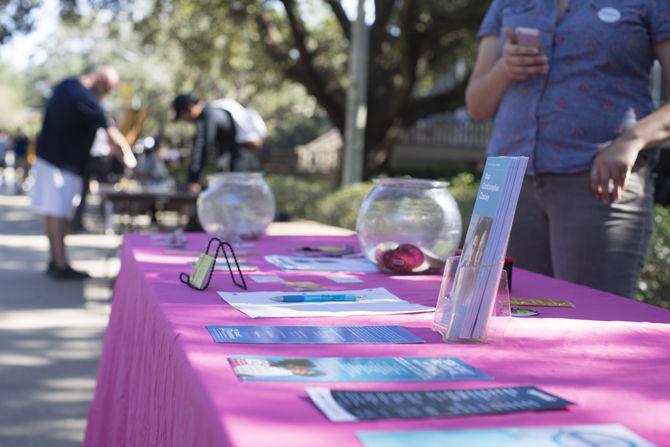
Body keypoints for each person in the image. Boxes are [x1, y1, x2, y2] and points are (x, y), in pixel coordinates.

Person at [466, 0, 670, 298]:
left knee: (591, 325)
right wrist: (504, 69)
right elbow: (477, 106)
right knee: (506, 320)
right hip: (509, 187)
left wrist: (631, 140)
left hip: (598, 185)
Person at [30, 66, 137, 279]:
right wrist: (128, 157)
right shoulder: (84, 97)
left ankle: (55, 260)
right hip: (62, 164)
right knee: (59, 214)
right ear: (100, 82)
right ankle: (60, 264)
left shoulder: (66, 85)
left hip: (49, 158)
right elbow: (109, 129)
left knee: (52, 213)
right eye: (107, 89)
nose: (105, 95)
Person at [172, 93, 267, 192]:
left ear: (190, 108)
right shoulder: (215, 112)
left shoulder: (208, 115)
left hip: (240, 162)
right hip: (248, 161)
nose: (185, 120)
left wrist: (193, 179)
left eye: (183, 116)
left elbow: (201, 147)